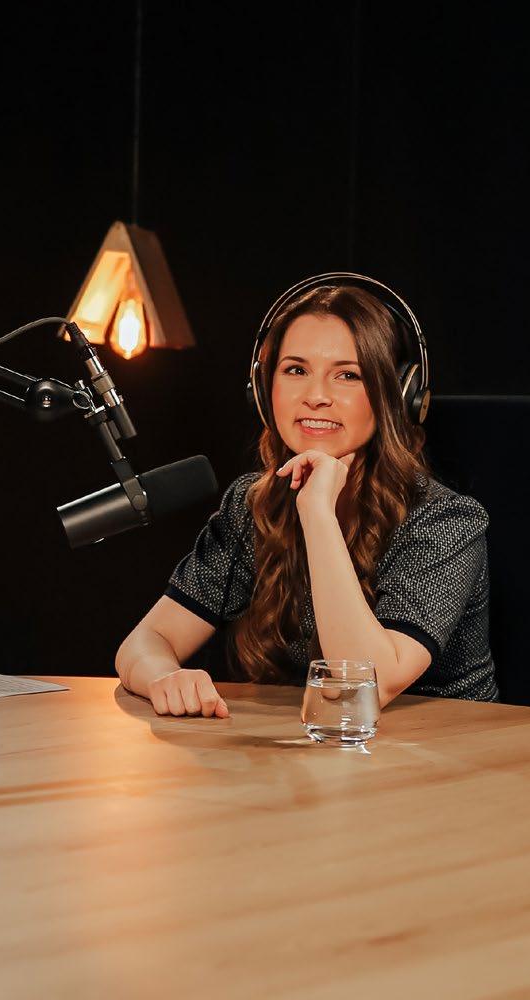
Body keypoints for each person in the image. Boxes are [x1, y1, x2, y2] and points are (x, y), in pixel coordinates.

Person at [115, 283, 499, 717]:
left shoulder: (445, 520)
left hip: (447, 750)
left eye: (348, 375)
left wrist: (318, 514)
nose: (316, 395)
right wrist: (163, 676)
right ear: (263, 390)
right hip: (318, 745)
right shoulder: (252, 504)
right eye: (296, 370)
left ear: (397, 394)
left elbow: (364, 688)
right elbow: (146, 642)